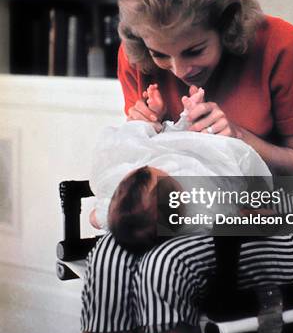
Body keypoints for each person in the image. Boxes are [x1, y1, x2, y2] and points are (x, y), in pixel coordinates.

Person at [81, 0, 293, 333]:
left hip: (261, 223)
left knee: (163, 265)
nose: (178, 69)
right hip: (170, 214)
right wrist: (142, 127)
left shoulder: (281, 45)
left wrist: (239, 137)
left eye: (194, 50)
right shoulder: (137, 57)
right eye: (158, 53)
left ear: (227, 26)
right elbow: (147, 165)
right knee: (108, 260)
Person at [88, 85, 281, 254]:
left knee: (134, 143)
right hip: (204, 158)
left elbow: (94, 219)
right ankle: (195, 115)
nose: (144, 170)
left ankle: (164, 116)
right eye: (149, 174)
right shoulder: (203, 211)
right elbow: (248, 217)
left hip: (167, 145)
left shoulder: (115, 208)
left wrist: (103, 217)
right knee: (213, 146)